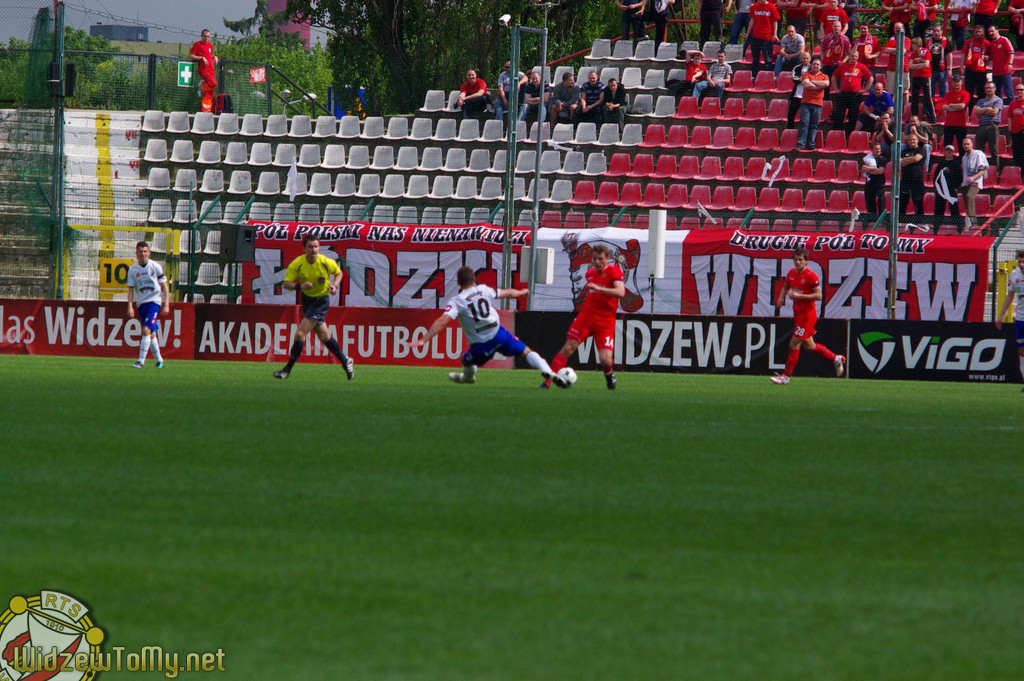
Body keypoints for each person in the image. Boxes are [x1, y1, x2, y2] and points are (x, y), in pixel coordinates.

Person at [415, 267, 566, 388]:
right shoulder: (483, 289)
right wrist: (521, 292)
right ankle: (548, 372)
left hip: (482, 344)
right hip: (499, 334)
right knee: (527, 352)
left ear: (459, 283)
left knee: (466, 360)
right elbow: (507, 293)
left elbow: (443, 321)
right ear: (474, 280)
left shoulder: (458, 300)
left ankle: (467, 378)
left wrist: (424, 339)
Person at [542, 244, 625, 390]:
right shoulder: (590, 274)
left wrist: (599, 288)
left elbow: (620, 292)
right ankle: (547, 382)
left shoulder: (614, 272)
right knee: (568, 348)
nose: (597, 262)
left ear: (607, 259)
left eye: (600, 259)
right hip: (586, 318)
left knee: (605, 360)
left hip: (605, 322)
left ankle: (609, 375)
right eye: (594, 259)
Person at [272, 236, 354, 380]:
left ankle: (287, 370)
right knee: (324, 336)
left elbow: (339, 272)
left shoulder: (325, 262)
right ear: (304, 249)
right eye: (310, 247)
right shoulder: (298, 263)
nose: (313, 250)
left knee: (300, 333)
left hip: (321, 301)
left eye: (316, 247)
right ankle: (345, 360)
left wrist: (335, 285)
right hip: (307, 301)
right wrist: (299, 286)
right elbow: (286, 284)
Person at [770, 246, 846, 385]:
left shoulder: (811, 276)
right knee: (810, 346)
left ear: (806, 262)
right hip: (798, 314)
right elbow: (786, 286)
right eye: (795, 260)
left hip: (807, 316)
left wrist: (800, 295)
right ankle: (836, 358)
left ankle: (786, 377)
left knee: (793, 343)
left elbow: (819, 295)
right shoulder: (792, 273)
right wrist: (781, 298)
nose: (797, 262)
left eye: (800, 260)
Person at [126, 241, 169, 369]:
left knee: (145, 330)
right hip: (141, 304)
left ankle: (141, 361)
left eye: (145, 251)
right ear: (136, 253)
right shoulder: (133, 270)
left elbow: (164, 286)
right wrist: (130, 306)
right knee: (151, 334)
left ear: (149, 253)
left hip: (154, 302)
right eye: (140, 251)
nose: (143, 254)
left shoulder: (155, 267)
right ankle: (159, 360)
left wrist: (166, 304)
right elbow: (130, 289)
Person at [994, 249, 1024, 389]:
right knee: (1021, 351)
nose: (1022, 264)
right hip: (1020, 319)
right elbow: (1010, 296)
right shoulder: (1014, 274)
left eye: (1023, 261)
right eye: (1019, 261)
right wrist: (1001, 315)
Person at [832, 48, 872, 134]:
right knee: (839, 115)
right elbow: (834, 77)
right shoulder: (842, 66)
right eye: (853, 56)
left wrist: (865, 89)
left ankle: (849, 135)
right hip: (843, 94)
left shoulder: (861, 66)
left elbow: (870, 78)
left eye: (856, 56)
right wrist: (836, 88)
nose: (854, 58)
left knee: (853, 116)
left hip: (855, 95)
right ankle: (837, 134)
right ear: (849, 56)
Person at [798, 57, 829, 150]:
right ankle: (801, 144)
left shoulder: (825, 76)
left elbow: (826, 84)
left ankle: (811, 144)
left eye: (817, 64)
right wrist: (819, 86)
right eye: (814, 64)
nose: (815, 66)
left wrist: (812, 82)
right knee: (804, 123)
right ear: (811, 65)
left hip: (818, 104)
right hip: (806, 103)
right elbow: (806, 84)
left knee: (814, 125)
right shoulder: (806, 74)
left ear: (820, 66)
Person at [961, 136, 990, 230]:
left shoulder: (978, 154)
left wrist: (973, 178)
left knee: (970, 196)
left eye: (968, 144)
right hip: (966, 183)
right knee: (965, 201)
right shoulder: (964, 157)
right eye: (964, 144)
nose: (966, 146)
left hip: (975, 182)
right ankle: (968, 223)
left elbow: (984, 169)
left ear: (972, 145)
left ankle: (974, 223)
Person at [974, 80, 1004, 168]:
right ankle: (980, 169)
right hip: (982, 126)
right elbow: (976, 111)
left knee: (994, 150)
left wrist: (982, 111)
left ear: (994, 89)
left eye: (990, 88)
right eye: (987, 88)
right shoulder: (981, 101)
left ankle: (996, 171)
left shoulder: (998, 100)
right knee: (979, 151)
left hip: (992, 126)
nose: (988, 89)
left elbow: (994, 112)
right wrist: (987, 108)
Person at [962, 25, 991, 113]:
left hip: (981, 72)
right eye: (976, 32)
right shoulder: (968, 42)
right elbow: (963, 54)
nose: (978, 34)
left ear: (983, 33)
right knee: (968, 92)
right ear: (973, 32)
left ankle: (981, 111)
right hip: (969, 70)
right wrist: (961, 65)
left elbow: (991, 56)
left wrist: (988, 58)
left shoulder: (987, 43)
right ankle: (969, 112)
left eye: (980, 32)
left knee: (981, 92)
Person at [748, 0, 781, 76]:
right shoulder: (755, 6)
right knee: (755, 59)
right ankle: (754, 76)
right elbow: (752, 20)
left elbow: (775, 22)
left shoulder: (771, 7)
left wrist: (775, 34)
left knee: (768, 59)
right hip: (756, 36)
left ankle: (768, 76)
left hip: (767, 37)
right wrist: (747, 33)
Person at [189, 28, 218, 113]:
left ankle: (206, 109)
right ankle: (201, 86)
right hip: (204, 70)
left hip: (211, 70)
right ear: (201, 36)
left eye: (208, 36)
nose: (206, 38)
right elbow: (191, 55)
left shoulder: (210, 45)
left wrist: (214, 57)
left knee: (209, 92)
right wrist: (201, 58)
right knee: (214, 84)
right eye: (205, 36)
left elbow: (209, 55)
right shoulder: (197, 44)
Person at [820, 20, 852, 96]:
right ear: (832, 27)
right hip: (828, 64)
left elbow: (849, 53)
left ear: (841, 28)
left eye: (838, 26)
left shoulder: (845, 39)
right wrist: (822, 61)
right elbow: (822, 50)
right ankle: (825, 101)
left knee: (839, 85)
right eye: (835, 26)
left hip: (839, 65)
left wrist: (843, 62)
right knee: (825, 85)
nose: (836, 28)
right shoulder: (827, 38)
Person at [932, 144, 963, 221]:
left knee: (954, 210)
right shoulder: (941, 163)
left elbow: (959, 177)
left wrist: (956, 187)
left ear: (953, 152)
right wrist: (936, 188)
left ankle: (957, 228)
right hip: (941, 190)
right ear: (945, 151)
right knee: (939, 210)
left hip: (951, 189)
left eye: (950, 151)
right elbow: (936, 176)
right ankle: (936, 228)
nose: (949, 152)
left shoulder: (956, 163)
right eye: (947, 150)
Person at [909, 37, 937, 122]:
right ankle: (914, 117)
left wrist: (916, 66)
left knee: (927, 96)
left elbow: (926, 64)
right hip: (916, 76)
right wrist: (919, 65)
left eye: (913, 45)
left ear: (917, 45)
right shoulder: (913, 54)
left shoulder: (926, 51)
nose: (911, 46)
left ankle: (932, 117)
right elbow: (910, 66)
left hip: (925, 76)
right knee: (914, 97)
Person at [941, 72, 971, 150]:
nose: (956, 83)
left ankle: (962, 162)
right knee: (947, 147)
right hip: (949, 124)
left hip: (960, 124)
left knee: (962, 148)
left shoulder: (965, 94)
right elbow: (944, 107)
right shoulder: (948, 94)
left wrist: (950, 105)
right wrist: (957, 107)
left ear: (961, 82)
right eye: (954, 81)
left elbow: (962, 106)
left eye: (958, 81)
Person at [883, 24, 912, 106]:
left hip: (903, 68)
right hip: (892, 68)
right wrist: (898, 49)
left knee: (905, 92)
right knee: (890, 91)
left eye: (899, 28)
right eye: (896, 28)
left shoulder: (906, 39)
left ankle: (905, 111)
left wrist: (893, 50)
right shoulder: (891, 39)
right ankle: (890, 111)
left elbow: (903, 51)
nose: (897, 30)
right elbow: (886, 49)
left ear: (903, 29)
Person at [899, 133, 927, 216]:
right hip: (905, 181)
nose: (912, 141)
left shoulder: (921, 150)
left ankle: (919, 222)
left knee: (918, 203)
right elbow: (900, 163)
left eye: (914, 139)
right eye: (910, 140)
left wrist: (905, 160)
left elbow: (916, 158)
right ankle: (901, 223)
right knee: (902, 203)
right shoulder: (903, 151)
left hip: (917, 181)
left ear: (917, 141)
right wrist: (912, 160)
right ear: (907, 141)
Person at [987, 24, 1015, 101]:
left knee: (1009, 92)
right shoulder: (992, 44)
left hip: (1005, 71)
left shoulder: (1004, 40)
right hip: (996, 72)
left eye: (992, 31)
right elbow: (992, 56)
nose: (991, 33)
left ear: (997, 31)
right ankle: (999, 110)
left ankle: (1010, 110)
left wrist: (1010, 64)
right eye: (989, 32)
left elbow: (1011, 53)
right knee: (997, 93)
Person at [861, 141, 888, 214]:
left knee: (881, 200)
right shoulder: (867, 158)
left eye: (879, 149)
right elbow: (863, 168)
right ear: (872, 150)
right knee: (869, 202)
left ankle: (882, 218)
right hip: (869, 183)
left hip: (879, 183)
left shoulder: (882, 159)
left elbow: (880, 171)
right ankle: (871, 219)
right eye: (876, 149)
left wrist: (869, 169)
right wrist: (874, 169)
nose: (878, 151)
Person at [787, 52, 813, 128]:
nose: (806, 60)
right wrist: (805, 79)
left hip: (807, 96)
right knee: (791, 115)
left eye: (807, 58)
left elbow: (814, 80)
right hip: (796, 95)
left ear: (810, 59)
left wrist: (803, 79)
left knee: (805, 117)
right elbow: (794, 78)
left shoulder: (813, 68)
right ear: (801, 59)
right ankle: (789, 131)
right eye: (804, 58)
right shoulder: (797, 67)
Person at [928, 25, 952, 98]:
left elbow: (949, 55)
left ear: (941, 31)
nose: (936, 33)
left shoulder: (946, 42)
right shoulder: (929, 41)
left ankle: (943, 107)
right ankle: (931, 107)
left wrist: (949, 68)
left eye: (938, 31)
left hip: (942, 69)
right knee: (930, 90)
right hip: (931, 69)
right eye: (934, 31)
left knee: (944, 90)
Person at [1008, 83, 1024, 168]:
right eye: (1017, 90)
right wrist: (1010, 128)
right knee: (1017, 153)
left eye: (1021, 89)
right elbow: (1010, 117)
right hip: (1015, 132)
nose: (1019, 91)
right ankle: (1019, 173)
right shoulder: (1013, 103)